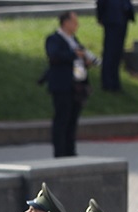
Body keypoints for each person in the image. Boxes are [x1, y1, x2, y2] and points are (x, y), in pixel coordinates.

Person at [45, 11, 96, 158]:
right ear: (65, 23)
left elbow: (79, 60)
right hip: (62, 86)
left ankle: (70, 152)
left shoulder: (74, 40)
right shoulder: (54, 39)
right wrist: (75, 55)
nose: (77, 25)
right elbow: (54, 56)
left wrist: (86, 61)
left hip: (77, 86)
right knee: (62, 119)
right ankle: (60, 153)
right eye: (74, 22)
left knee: (72, 120)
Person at [96, 0, 134, 92]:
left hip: (122, 17)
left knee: (117, 52)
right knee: (110, 52)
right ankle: (107, 82)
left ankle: (114, 82)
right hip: (112, 19)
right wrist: (100, 16)